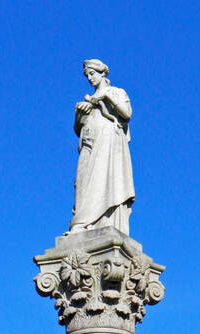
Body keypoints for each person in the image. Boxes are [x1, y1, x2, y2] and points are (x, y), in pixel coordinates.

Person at [70, 60, 135, 234]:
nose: (90, 78)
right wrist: (80, 114)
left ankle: (101, 222)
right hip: (88, 143)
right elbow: (78, 128)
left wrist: (105, 97)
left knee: (104, 179)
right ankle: (82, 223)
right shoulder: (87, 99)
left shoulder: (116, 92)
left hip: (108, 144)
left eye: (92, 74)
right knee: (81, 181)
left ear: (102, 73)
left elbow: (126, 114)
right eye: (87, 76)